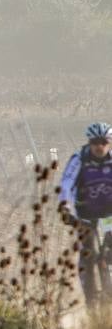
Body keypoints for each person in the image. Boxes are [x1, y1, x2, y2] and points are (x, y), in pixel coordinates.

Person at [60, 122, 112, 307]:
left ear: (110, 142)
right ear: (89, 143)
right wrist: (65, 207)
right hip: (85, 216)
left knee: (110, 252)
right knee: (88, 257)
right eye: (95, 142)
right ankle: (90, 297)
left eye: (104, 142)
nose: (100, 146)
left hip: (109, 216)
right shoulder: (79, 159)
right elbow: (67, 183)